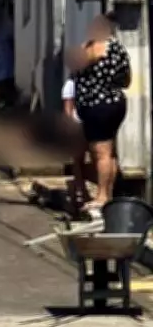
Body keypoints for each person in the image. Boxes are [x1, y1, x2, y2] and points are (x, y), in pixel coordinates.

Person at [69, 14, 131, 213]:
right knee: (110, 152)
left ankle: (102, 196)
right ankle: (108, 194)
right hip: (115, 103)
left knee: (100, 152)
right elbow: (126, 79)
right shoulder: (119, 49)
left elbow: (75, 63)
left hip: (97, 106)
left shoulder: (96, 47)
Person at [61, 50, 89, 209]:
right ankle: (80, 188)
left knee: (86, 159)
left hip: (92, 122)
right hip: (79, 124)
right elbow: (68, 108)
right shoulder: (71, 83)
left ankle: (81, 188)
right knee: (78, 159)